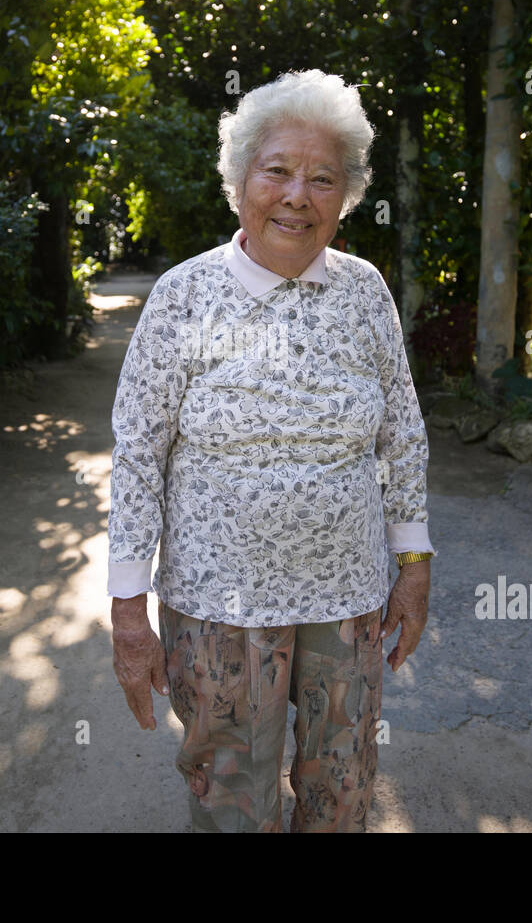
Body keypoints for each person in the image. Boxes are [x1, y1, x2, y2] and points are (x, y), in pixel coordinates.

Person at [107, 69, 434, 832]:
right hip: (219, 605)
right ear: (240, 180)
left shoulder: (365, 293)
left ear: (345, 197)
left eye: (323, 178)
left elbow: (403, 435)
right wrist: (128, 610)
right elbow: (136, 456)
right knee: (231, 793)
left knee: (343, 788)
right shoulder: (184, 297)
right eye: (278, 170)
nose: (298, 195)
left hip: (346, 600)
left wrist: (413, 566)